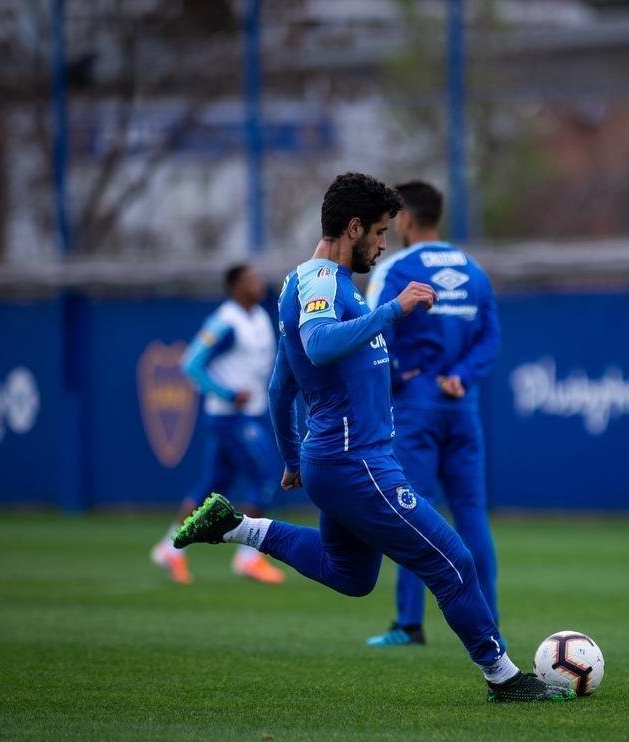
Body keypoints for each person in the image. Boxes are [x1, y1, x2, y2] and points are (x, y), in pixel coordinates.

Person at [172, 172, 573, 702]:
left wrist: (291, 459)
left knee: (351, 575)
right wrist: (393, 310)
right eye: (380, 232)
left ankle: (237, 527)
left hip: (335, 459)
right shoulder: (321, 280)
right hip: (355, 460)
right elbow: (317, 346)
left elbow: (279, 387)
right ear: (354, 227)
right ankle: (504, 678)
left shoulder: (306, 283)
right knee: (452, 561)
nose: (384, 244)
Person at [362, 180, 500, 647]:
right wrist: (463, 374)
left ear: (404, 219)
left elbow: (373, 333)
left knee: (411, 512)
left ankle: (409, 624)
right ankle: (488, 622)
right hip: (462, 404)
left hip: (416, 405)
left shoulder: (397, 267)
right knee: (472, 515)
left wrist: (403, 375)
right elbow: (491, 337)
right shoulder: (474, 270)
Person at [151, 264, 285, 586]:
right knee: (265, 478)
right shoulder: (226, 321)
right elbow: (191, 363)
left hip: (249, 414)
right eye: (251, 279)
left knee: (213, 485)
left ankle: (170, 547)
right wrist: (227, 393)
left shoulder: (259, 316)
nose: (259, 282)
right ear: (235, 286)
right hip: (232, 418)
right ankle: (248, 557)